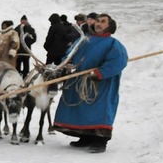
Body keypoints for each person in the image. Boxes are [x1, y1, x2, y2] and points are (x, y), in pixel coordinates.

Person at [51, 13, 128, 154]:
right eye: (97, 21)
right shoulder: (85, 41)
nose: (99, 24)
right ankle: (85, 137)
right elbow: (70, 54)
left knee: (99, 110)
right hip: (79, 81)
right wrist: (66, 64)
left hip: (100, 84)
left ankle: (100, 142)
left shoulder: (113, 44)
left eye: (103, 22)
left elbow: (118, 62)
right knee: (81, 109)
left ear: (109, 26)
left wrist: (100, 73)